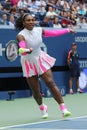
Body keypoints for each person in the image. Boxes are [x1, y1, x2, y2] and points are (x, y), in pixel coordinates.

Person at [15, 13, 75, 119]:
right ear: (24, 23)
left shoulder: (39, 30)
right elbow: (22, 49)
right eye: (28, 20)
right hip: (29, 63)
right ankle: (42, 108)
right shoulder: (20, 35)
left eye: (33, 20)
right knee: (36, 91)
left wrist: (67, 30)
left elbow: (54, 33)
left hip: (40, 58)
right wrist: (25, 51)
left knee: (50, 83)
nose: (31, 22)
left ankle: (63, 109)